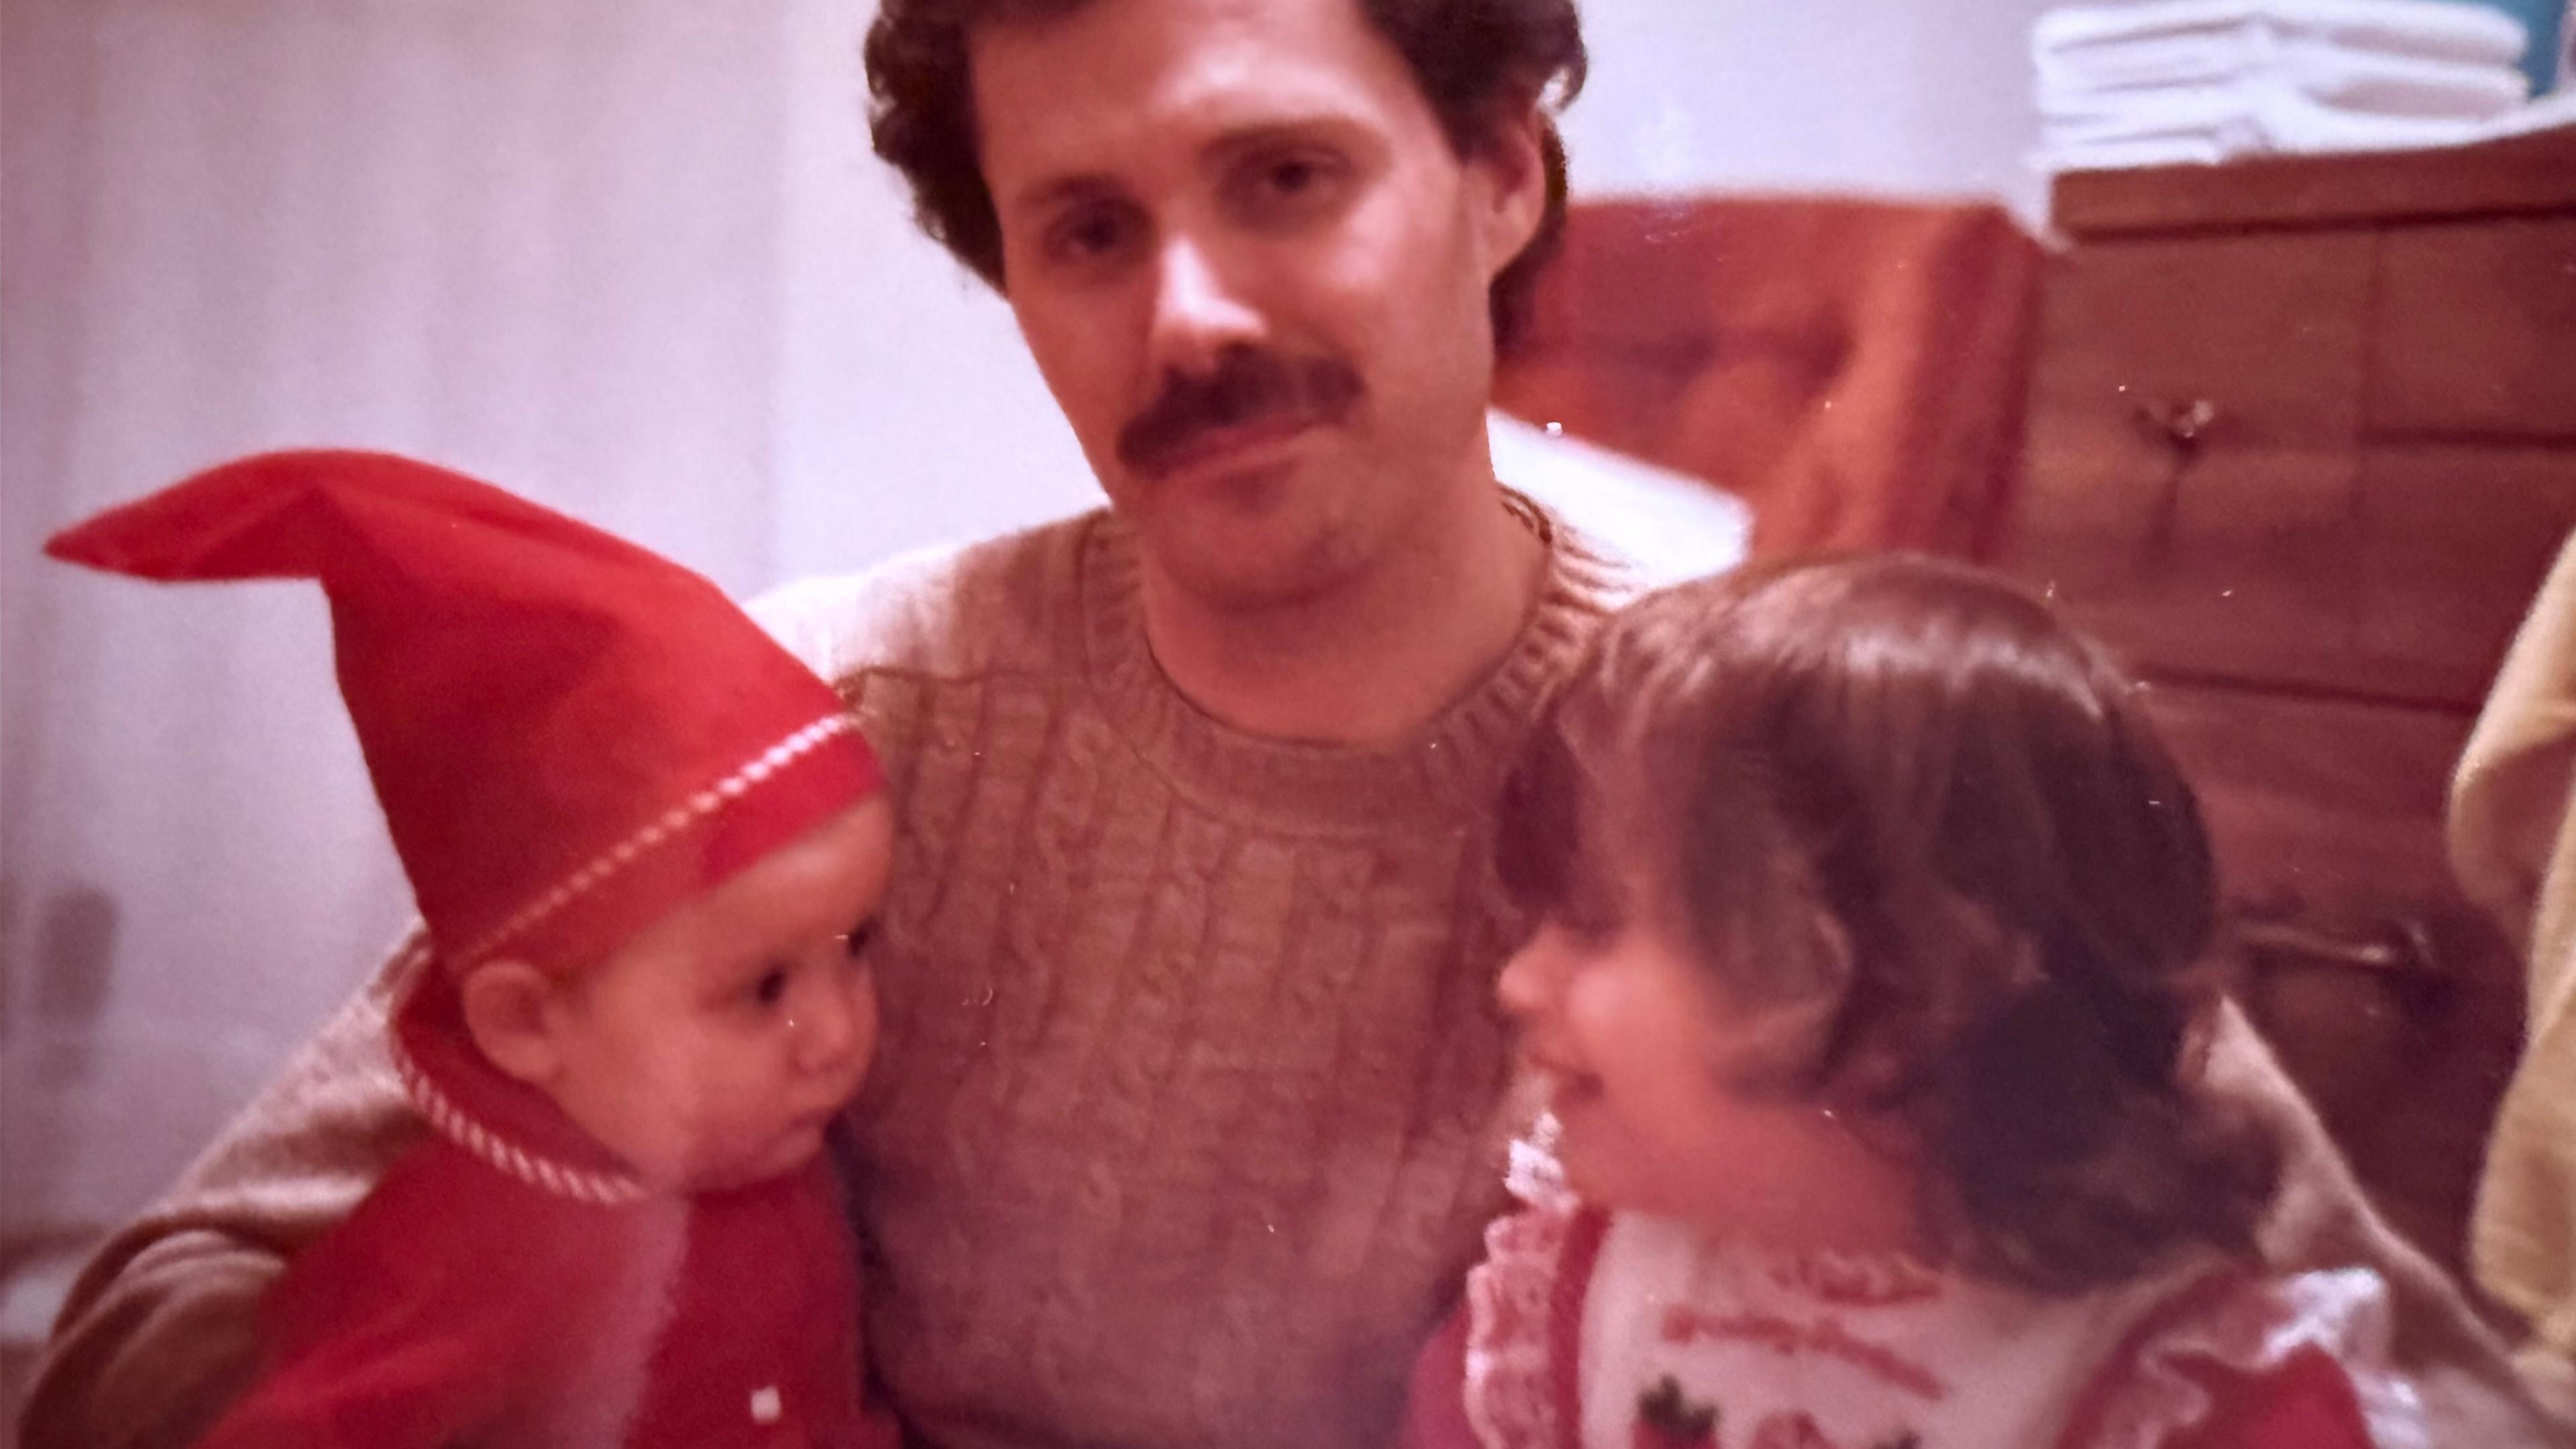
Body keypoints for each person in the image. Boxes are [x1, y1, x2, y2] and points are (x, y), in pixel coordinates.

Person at [14, 2, 2548, 1447]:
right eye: (1087, 232)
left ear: (1501, 172)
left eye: (1286, 180)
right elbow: (180, 1304)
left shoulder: (1799, 775)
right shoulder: (820, 725)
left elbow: (2370, 1357)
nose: (1189, 320)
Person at [1401, 555, 2514, 1448]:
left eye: (1593, 923)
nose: (1517, 982)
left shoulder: (2178, 1390)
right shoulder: (1574, 1295)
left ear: (1904, 991)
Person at [42, 450, 903, 1449]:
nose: (838, 1031)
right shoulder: (482, 1260)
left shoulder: (750, 1146)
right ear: (529, 1021)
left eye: (858, 945)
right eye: (763, 989)